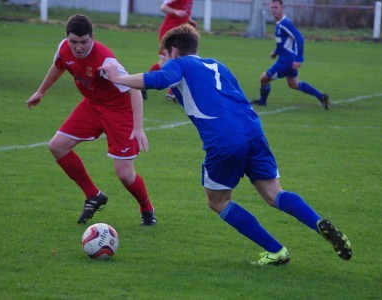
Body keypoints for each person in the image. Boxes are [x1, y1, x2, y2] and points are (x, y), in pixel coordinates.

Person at [100, 24, 352, 266]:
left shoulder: (179, 63)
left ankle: (277, 251)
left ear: (174, 51)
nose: (164, 59)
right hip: (253, 130)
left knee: (217, 201)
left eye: (164, 54)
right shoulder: (217, 64)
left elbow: (158, 79)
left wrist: (117, 76)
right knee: (274, 194)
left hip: (224, 139)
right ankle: (318, 222)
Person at [26, 14, 157, 226]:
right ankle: (93, 194)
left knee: (124, 174)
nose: (78, 47)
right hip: (93, 105)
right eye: (74, 42)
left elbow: (135, 89)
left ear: (92, 37)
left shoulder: (106, 61)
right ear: (67, 38)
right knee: (57, 146)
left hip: (120, 112)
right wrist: (41, 92)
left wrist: (139, 127)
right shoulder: (64, 48)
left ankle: (146, 208)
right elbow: (59, 65)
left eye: (84, 42)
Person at [251, 0, 330, 110]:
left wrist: (299, 58)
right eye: (272, 7)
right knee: (293, 83)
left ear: (282, 8)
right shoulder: (279, 24)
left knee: (264, 79)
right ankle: (322, 97)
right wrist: (276, 52)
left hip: (286, 62)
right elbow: (282, 42)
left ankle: (262, 101)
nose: (273, 10)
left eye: (276, 7)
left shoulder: (285, 23)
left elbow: (299, 38)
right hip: (287, 59)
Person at [142, 0, 197, 101]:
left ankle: (171, 92)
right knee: (169, 62)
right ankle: (144, 84)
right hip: (170, 32)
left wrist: (189, 20)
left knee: (179, 62)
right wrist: (176, 12)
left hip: (180, 33)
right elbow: (163, 7)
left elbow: (184, 12)